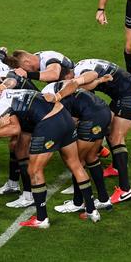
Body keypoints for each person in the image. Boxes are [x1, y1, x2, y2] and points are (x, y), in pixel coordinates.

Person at [0, 88, 101, 228]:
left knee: (34, 170)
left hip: (49, 123)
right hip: (64, 116)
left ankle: (41, 219)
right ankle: (91, 210)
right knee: (75, 164)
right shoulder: (7, 93)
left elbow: (14, 129)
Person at [69, 58, 131, 204]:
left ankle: (125, 190)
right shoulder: (80, 66)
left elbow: (87, 83)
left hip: (130, 94)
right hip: (123, 93)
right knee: (108, 129)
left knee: (117, 137)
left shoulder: (82, 73)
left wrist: (77, 85)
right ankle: (115, 167)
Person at [42, 81, 113, 212]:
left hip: (91, 117)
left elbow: (67, 123)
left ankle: (77, 202)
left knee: (76, 162)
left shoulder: (49, 100)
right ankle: (103, 199)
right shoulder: (61, 88)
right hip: (104, 111)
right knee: (91, 157)